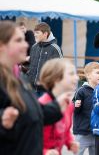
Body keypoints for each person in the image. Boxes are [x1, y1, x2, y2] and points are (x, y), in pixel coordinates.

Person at [0, 21, 70, 155]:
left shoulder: (18, 77)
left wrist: (57, 107)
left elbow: (32, 113)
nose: (26, 44)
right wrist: (3, 118)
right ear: (2, 45)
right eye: (18, 40)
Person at [38, 58, 80, 155]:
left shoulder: (68, 104)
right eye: (71, 74)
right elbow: (29, 140)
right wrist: (45, 152)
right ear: (56, 78)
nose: (77, 78)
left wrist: (69, 142)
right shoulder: (42, 106)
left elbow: (65, 130)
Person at [73, 62, 99, 155]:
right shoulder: (81, 91)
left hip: (96, 132)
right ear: (89, 75)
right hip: (82, 131)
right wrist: (75, 105)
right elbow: (74, 110)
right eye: (97, 73)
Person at [27, 22, 63, 97]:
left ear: (45, 34)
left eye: (37, 32)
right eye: (34, 32)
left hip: (46, 91)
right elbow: (30, 65)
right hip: (32, 89)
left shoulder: (55, 48)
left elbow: (60, 69)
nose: (34, 34)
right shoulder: (34, 47)